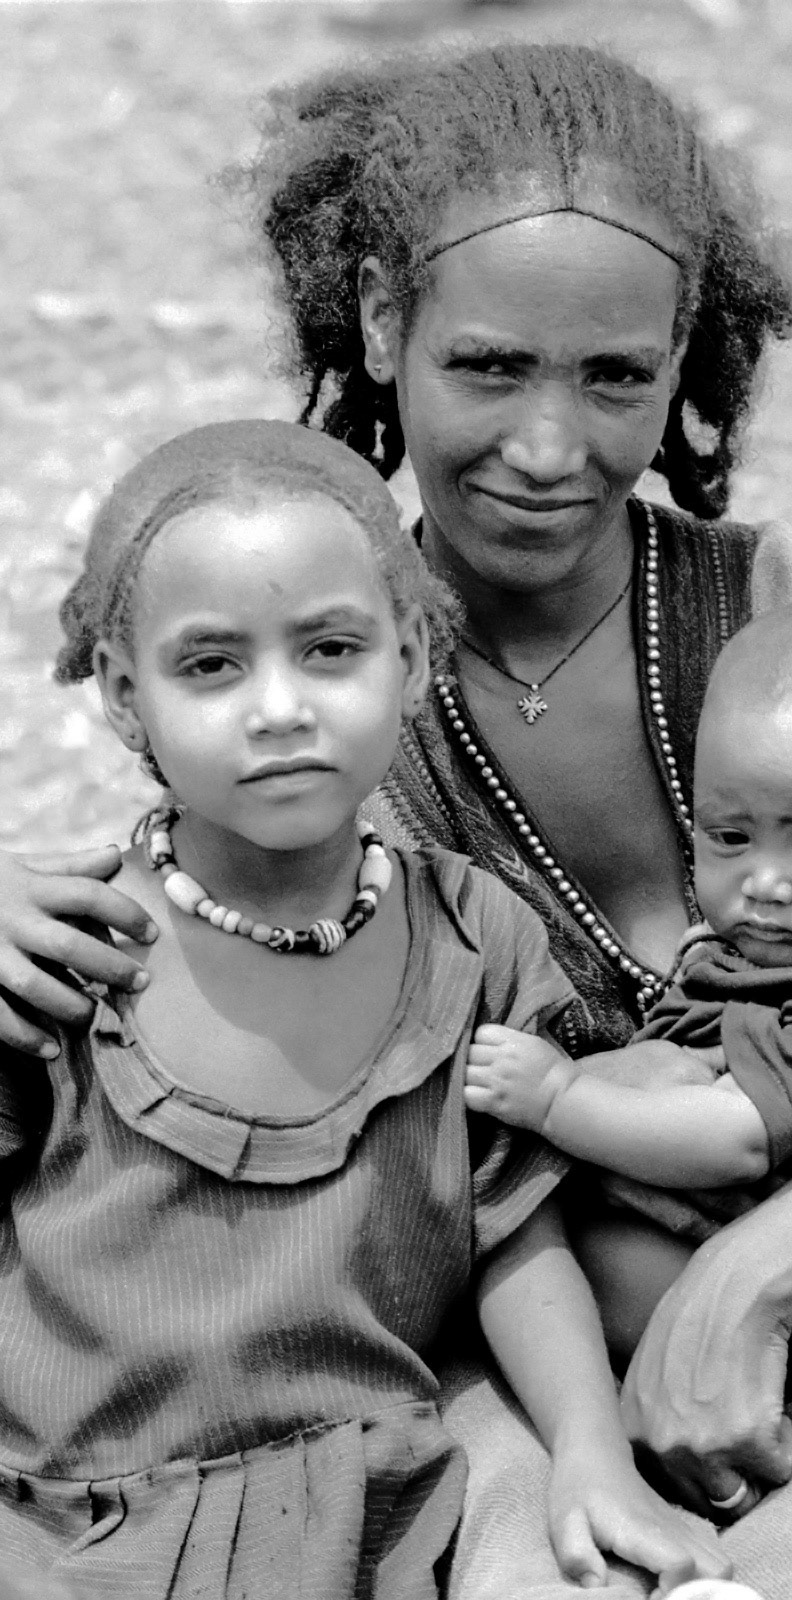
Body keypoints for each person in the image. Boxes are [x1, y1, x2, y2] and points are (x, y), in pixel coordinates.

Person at [2, 40, 792, 1600]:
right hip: (520, 1388)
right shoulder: (333, 694)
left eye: (616, 375)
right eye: (492, 366)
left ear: (682, 356)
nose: (551, 447)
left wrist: (769, 1266)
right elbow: (193, 966)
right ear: (384, 323)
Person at [0, 418, 731, 1599]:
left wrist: (591, 1457)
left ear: (414, 654)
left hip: (370, 1513)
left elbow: (515, 1230)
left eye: (331, 649)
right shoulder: (64, 949)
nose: (279, 708)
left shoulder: (472, 938)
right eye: (210, 666)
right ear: (126, 699)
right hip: (54, 1527)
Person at [464, 599, 792, 1291]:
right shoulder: (783, 947)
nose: (764, 884)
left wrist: (558, 1099)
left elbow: (736, 1137)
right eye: (731, 837)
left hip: (728, 1279)